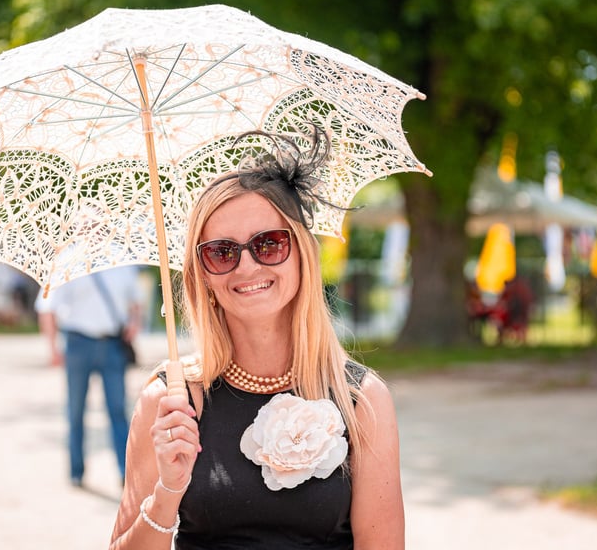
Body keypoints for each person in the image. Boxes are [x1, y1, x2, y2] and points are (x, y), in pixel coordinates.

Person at [110, 127, 405, 549]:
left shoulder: (362, 400)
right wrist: (168, 491)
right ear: (203, 276)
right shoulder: (169, 403)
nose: (247, 267)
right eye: (221, 252)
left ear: (302, 254)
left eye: (269, 244)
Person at [35, 265, 144, 487]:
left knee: (117, 409)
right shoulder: (67, 261)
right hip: (78, 342)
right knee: (75, 410)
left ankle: (125, 472)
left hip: (113, 344)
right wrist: (52, 348)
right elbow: (46, 307)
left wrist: (134, 323)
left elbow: (136, 301)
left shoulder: (121, 260)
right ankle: (76, 472)